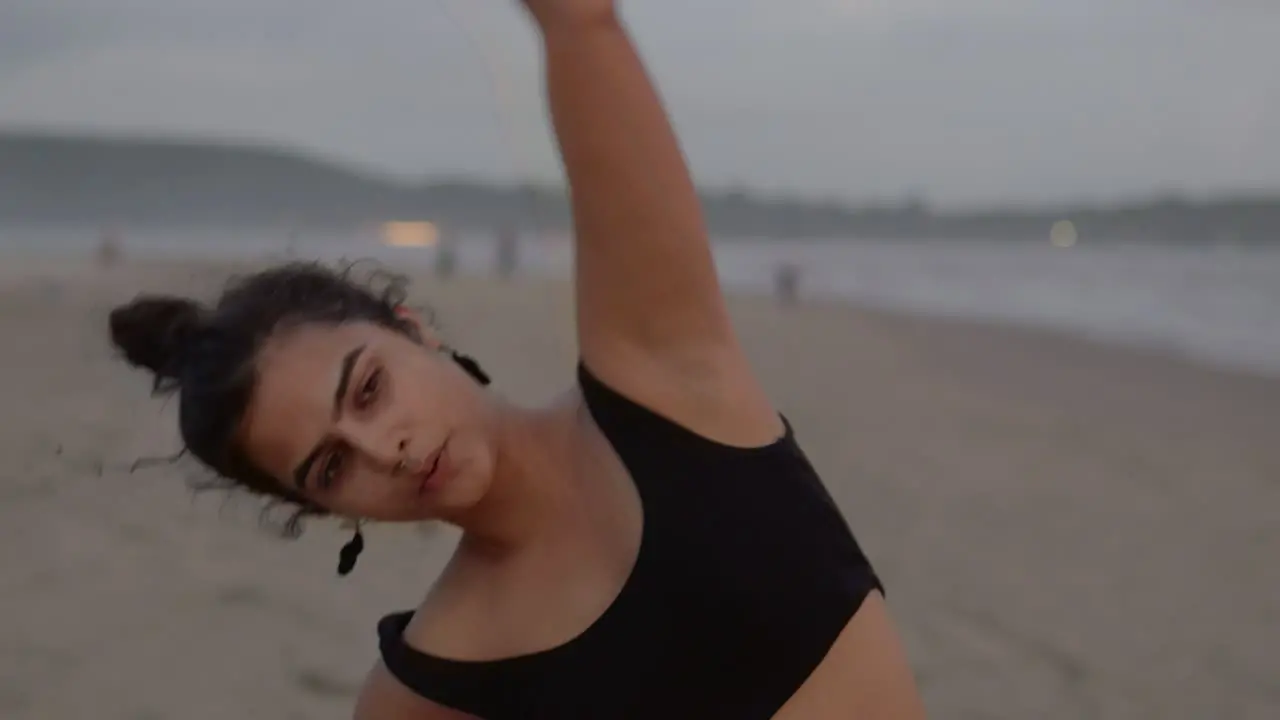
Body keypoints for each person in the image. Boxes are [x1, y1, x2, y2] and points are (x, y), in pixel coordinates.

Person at [108, 1, 926, 717]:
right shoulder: (423, 693)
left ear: (413, 328)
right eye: (328, 468)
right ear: (324, 510)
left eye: (368, 390)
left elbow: (584, 21)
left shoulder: (665, 380)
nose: (382, 449)